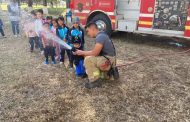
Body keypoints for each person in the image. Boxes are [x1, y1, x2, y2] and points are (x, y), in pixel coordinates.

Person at [75, 22, 117, 89]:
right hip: (109, 59)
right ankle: (109, 73)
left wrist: (82, 52)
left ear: (93, 29)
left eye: (88, 31)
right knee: (87, 56)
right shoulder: (102, 35)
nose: (88, 34)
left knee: (88, 60)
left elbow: (95, 53)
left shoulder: (100, 37)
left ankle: (95, 80)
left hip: (108, 61)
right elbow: (95, 52)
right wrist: (83, 53)